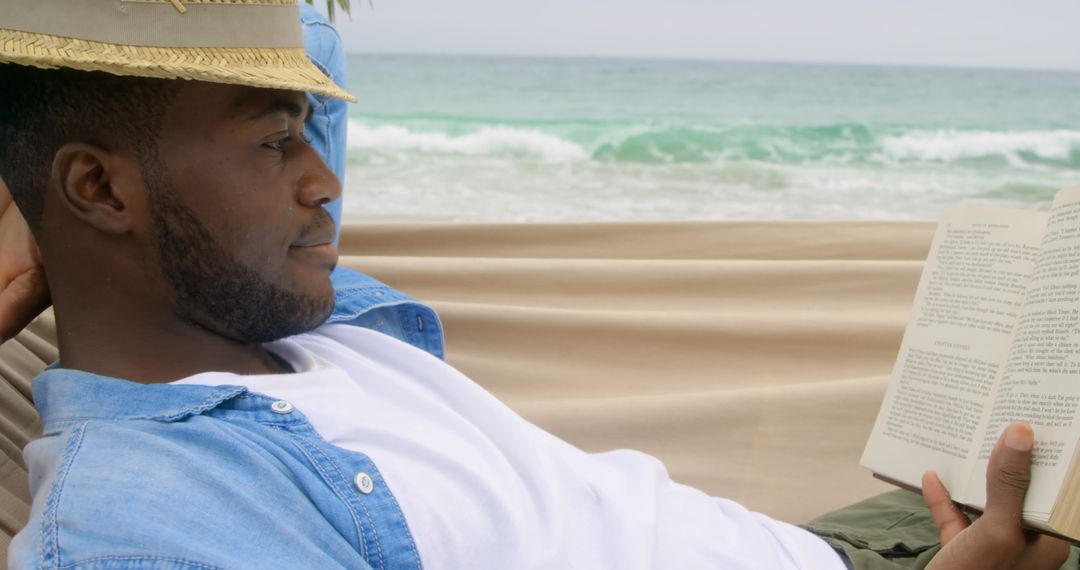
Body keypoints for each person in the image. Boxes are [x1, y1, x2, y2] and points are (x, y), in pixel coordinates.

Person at [0, 2, 1070, 569]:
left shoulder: (281, 312)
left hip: (831, 540)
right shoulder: (148, 518)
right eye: (279, 145)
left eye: (308, 130)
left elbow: (290, 47)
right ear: (97, 188)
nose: (325, 181)